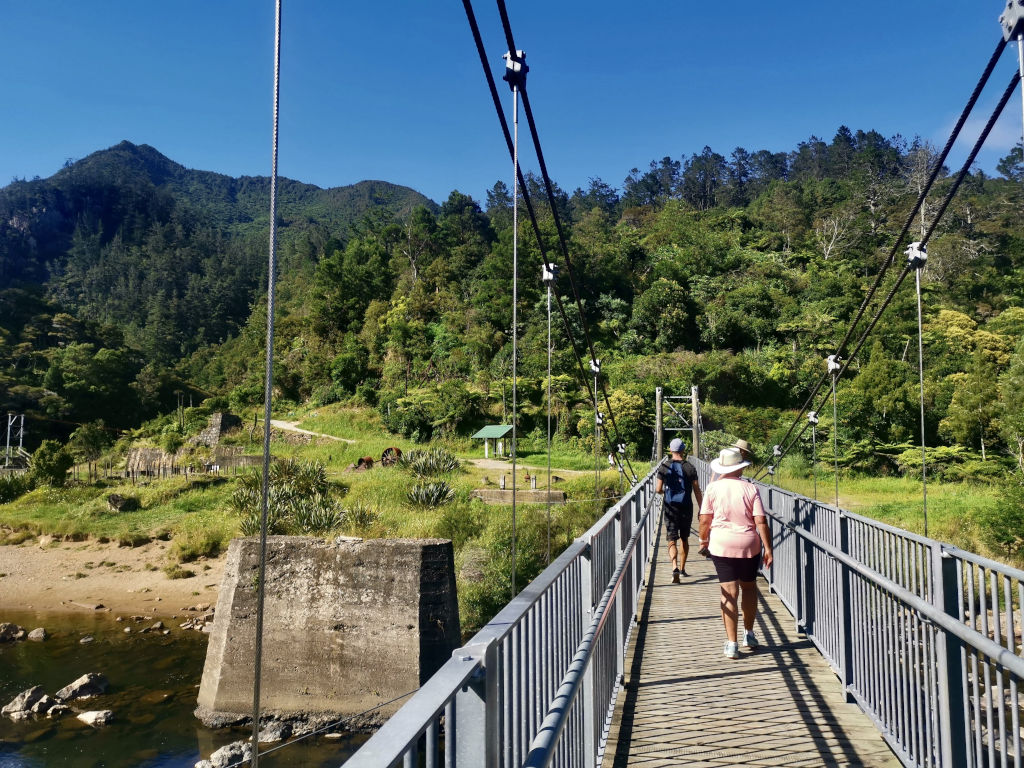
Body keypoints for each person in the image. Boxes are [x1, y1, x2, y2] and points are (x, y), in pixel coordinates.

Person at [698, 446, 773, 659]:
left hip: (722, 544)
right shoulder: (751, 488)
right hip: (749, 544)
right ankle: (748, 634)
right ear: (740, 467)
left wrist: (704, 540)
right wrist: (768, 548)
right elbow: (761, 521)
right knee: (749, 588)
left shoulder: (712, 488)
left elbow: (704, 519)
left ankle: (732, 644)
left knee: (728, 592)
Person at [655, 437, 703, 583]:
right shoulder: (690, 467)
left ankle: (674, 567)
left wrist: (667, 493)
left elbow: (658, 489)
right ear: (683, 450)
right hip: (686, 506)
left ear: (670, 450)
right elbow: (696, 490)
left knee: (671, 538)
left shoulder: (664, 467)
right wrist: (702, 508)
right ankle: (682, 569)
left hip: (670, 507)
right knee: (684, 538)